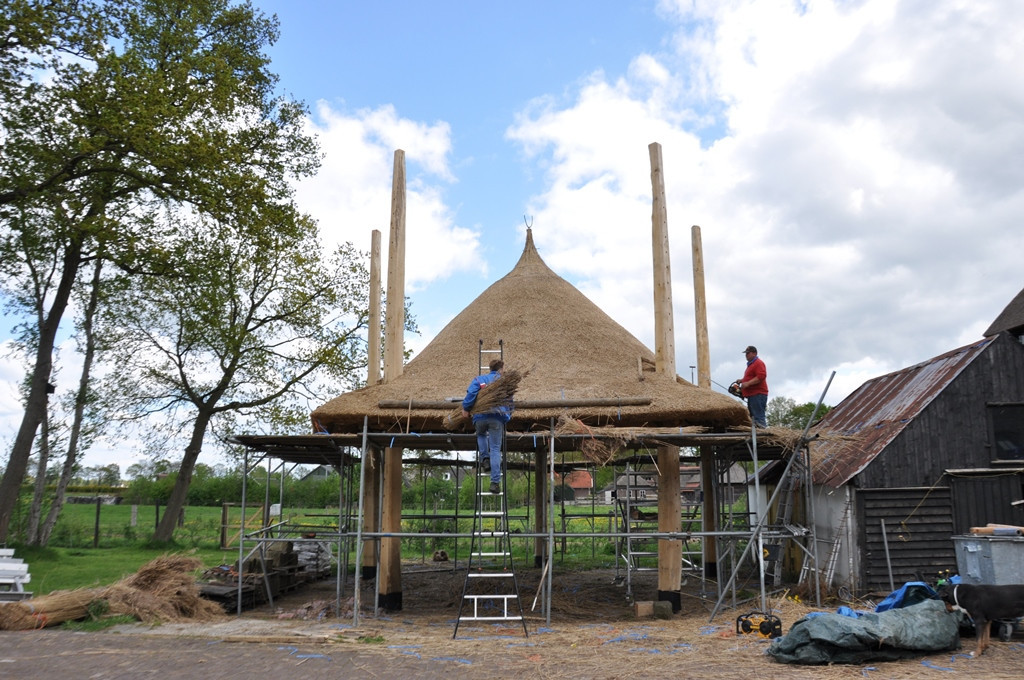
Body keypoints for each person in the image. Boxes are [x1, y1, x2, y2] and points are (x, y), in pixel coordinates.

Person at [461, 359, 512, 493]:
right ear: (500, 369)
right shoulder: (504, 382)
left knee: (481, 435)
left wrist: (466, 408)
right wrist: (507, 416)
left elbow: (471, 394)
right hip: (496, 417)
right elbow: (510, 401)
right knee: (495, 448)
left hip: (480, 417)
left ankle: (485, 459)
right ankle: (495, 483)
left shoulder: (480, 380)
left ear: (490, 369)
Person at [736, 345, 769, 428]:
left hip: (758, 394)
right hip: (752, 395)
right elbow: (752, 377)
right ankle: (757, 432)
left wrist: (748, 383)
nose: (746, 355)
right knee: (753, 418)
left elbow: (761, 376)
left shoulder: (758, 363)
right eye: (745, 353)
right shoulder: (751, 365)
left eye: (748, 353)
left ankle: (761, 432)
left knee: (758, 417)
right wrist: (742, 380)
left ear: (754, 353)